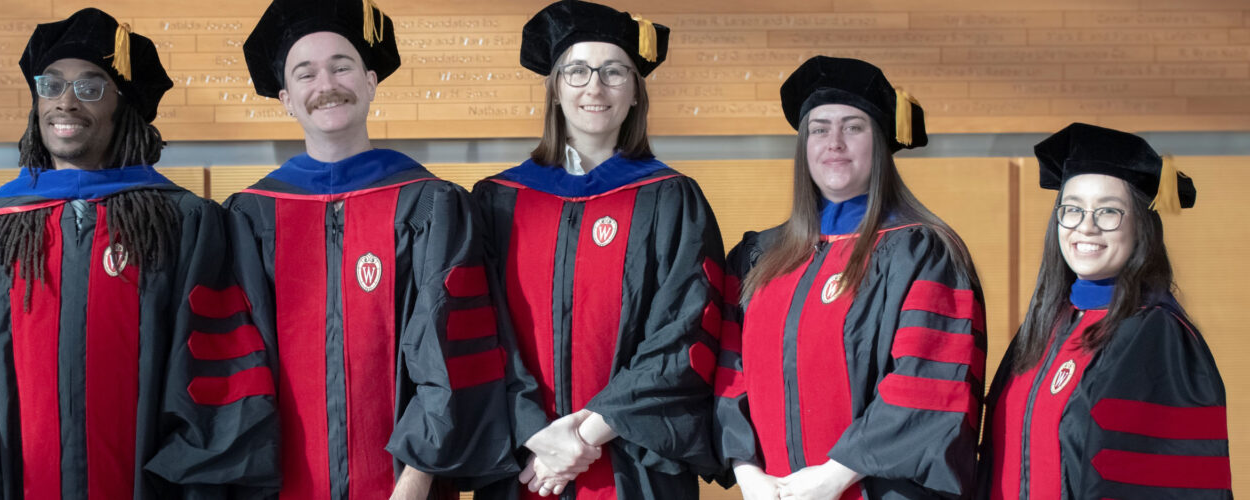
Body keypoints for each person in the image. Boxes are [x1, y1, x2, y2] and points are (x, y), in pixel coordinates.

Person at [0, 8, 276, 499]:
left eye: (90, 87)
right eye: (52, 85)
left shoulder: (185, 222)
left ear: (121, 107)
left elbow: (218, 374)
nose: (65, 102)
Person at [229, 0, 517, 497]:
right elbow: (234, 363)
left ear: (370, 82)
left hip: (406, 484)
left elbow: (450, 346)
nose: (327, 85)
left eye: (342, 66)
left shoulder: (430, 204)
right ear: (286, 99)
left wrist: (417, 475)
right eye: (306, 74)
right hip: (283, 483)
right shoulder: (249, 215)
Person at [470, 1, 726, 497]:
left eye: (613, 72)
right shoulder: (498, 201)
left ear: (634, 93)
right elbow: (481, 330)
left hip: (635, 465)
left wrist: (586, 434)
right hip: (526, 462)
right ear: (555, 89)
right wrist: (536, 434)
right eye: (578, 71)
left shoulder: (671, 198)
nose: (595, 86)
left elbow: (685, 332)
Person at [720, 55, 984, 500]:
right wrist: (749, 475)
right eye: (819, 128)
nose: (834, 142)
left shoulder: (922, 251)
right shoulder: (758, 257)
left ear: (880, 143)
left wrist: (832, 478)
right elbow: (730, 374)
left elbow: (928, 384)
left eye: (853, 126)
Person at [979, 123, 1229, 499]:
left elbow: (1164, 484)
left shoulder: (1157, 336)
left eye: (1108, 212)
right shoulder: (1047, 326)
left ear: (1141, 227)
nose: (1086, 226)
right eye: (1073, 209)